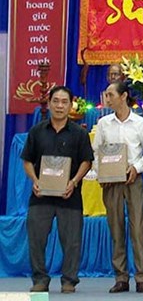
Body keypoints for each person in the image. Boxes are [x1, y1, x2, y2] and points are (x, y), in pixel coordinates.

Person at [22, 86, 93, 293]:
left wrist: (74, 181)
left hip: (69, 196)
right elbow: (27, 160)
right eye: (56, 101)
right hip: (40, 195)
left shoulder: (79, 133)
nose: (60, 106)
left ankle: (69, 280)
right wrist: (35, 180)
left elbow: (87, 161)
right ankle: (40, 280)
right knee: (36, 239)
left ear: (71, 105)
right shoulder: (37, 131)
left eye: (64, 102)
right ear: (50, 103)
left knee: (71, 241)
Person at [93, 81, 143, 293]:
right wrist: (103, 173)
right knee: (116, 228)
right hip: (111, 182)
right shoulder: (103, 123)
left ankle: (141, 277)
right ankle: (121, 277)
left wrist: (136, 168)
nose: (107, 99)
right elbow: (96, 152)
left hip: (133, 180)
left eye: (110, 95)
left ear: (124, 96)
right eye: (106, 95)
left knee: (137, 228)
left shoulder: (140, 123)